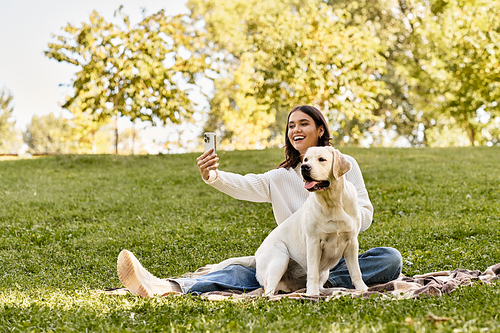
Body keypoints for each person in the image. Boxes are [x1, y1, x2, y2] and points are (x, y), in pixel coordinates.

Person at [117, 105, 402, 297]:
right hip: (290, 256)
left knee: (389, 258)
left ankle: (310, 284)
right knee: (242, 273)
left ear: (320, 130)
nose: (295, 130)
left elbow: (364, 209)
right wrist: (213, 174)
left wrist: (346, 219)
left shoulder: (343, 162)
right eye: (291, 126)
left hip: (333, 260)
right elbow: (244, 185)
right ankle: (168, 286)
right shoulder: (279, 178)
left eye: (304, 123)